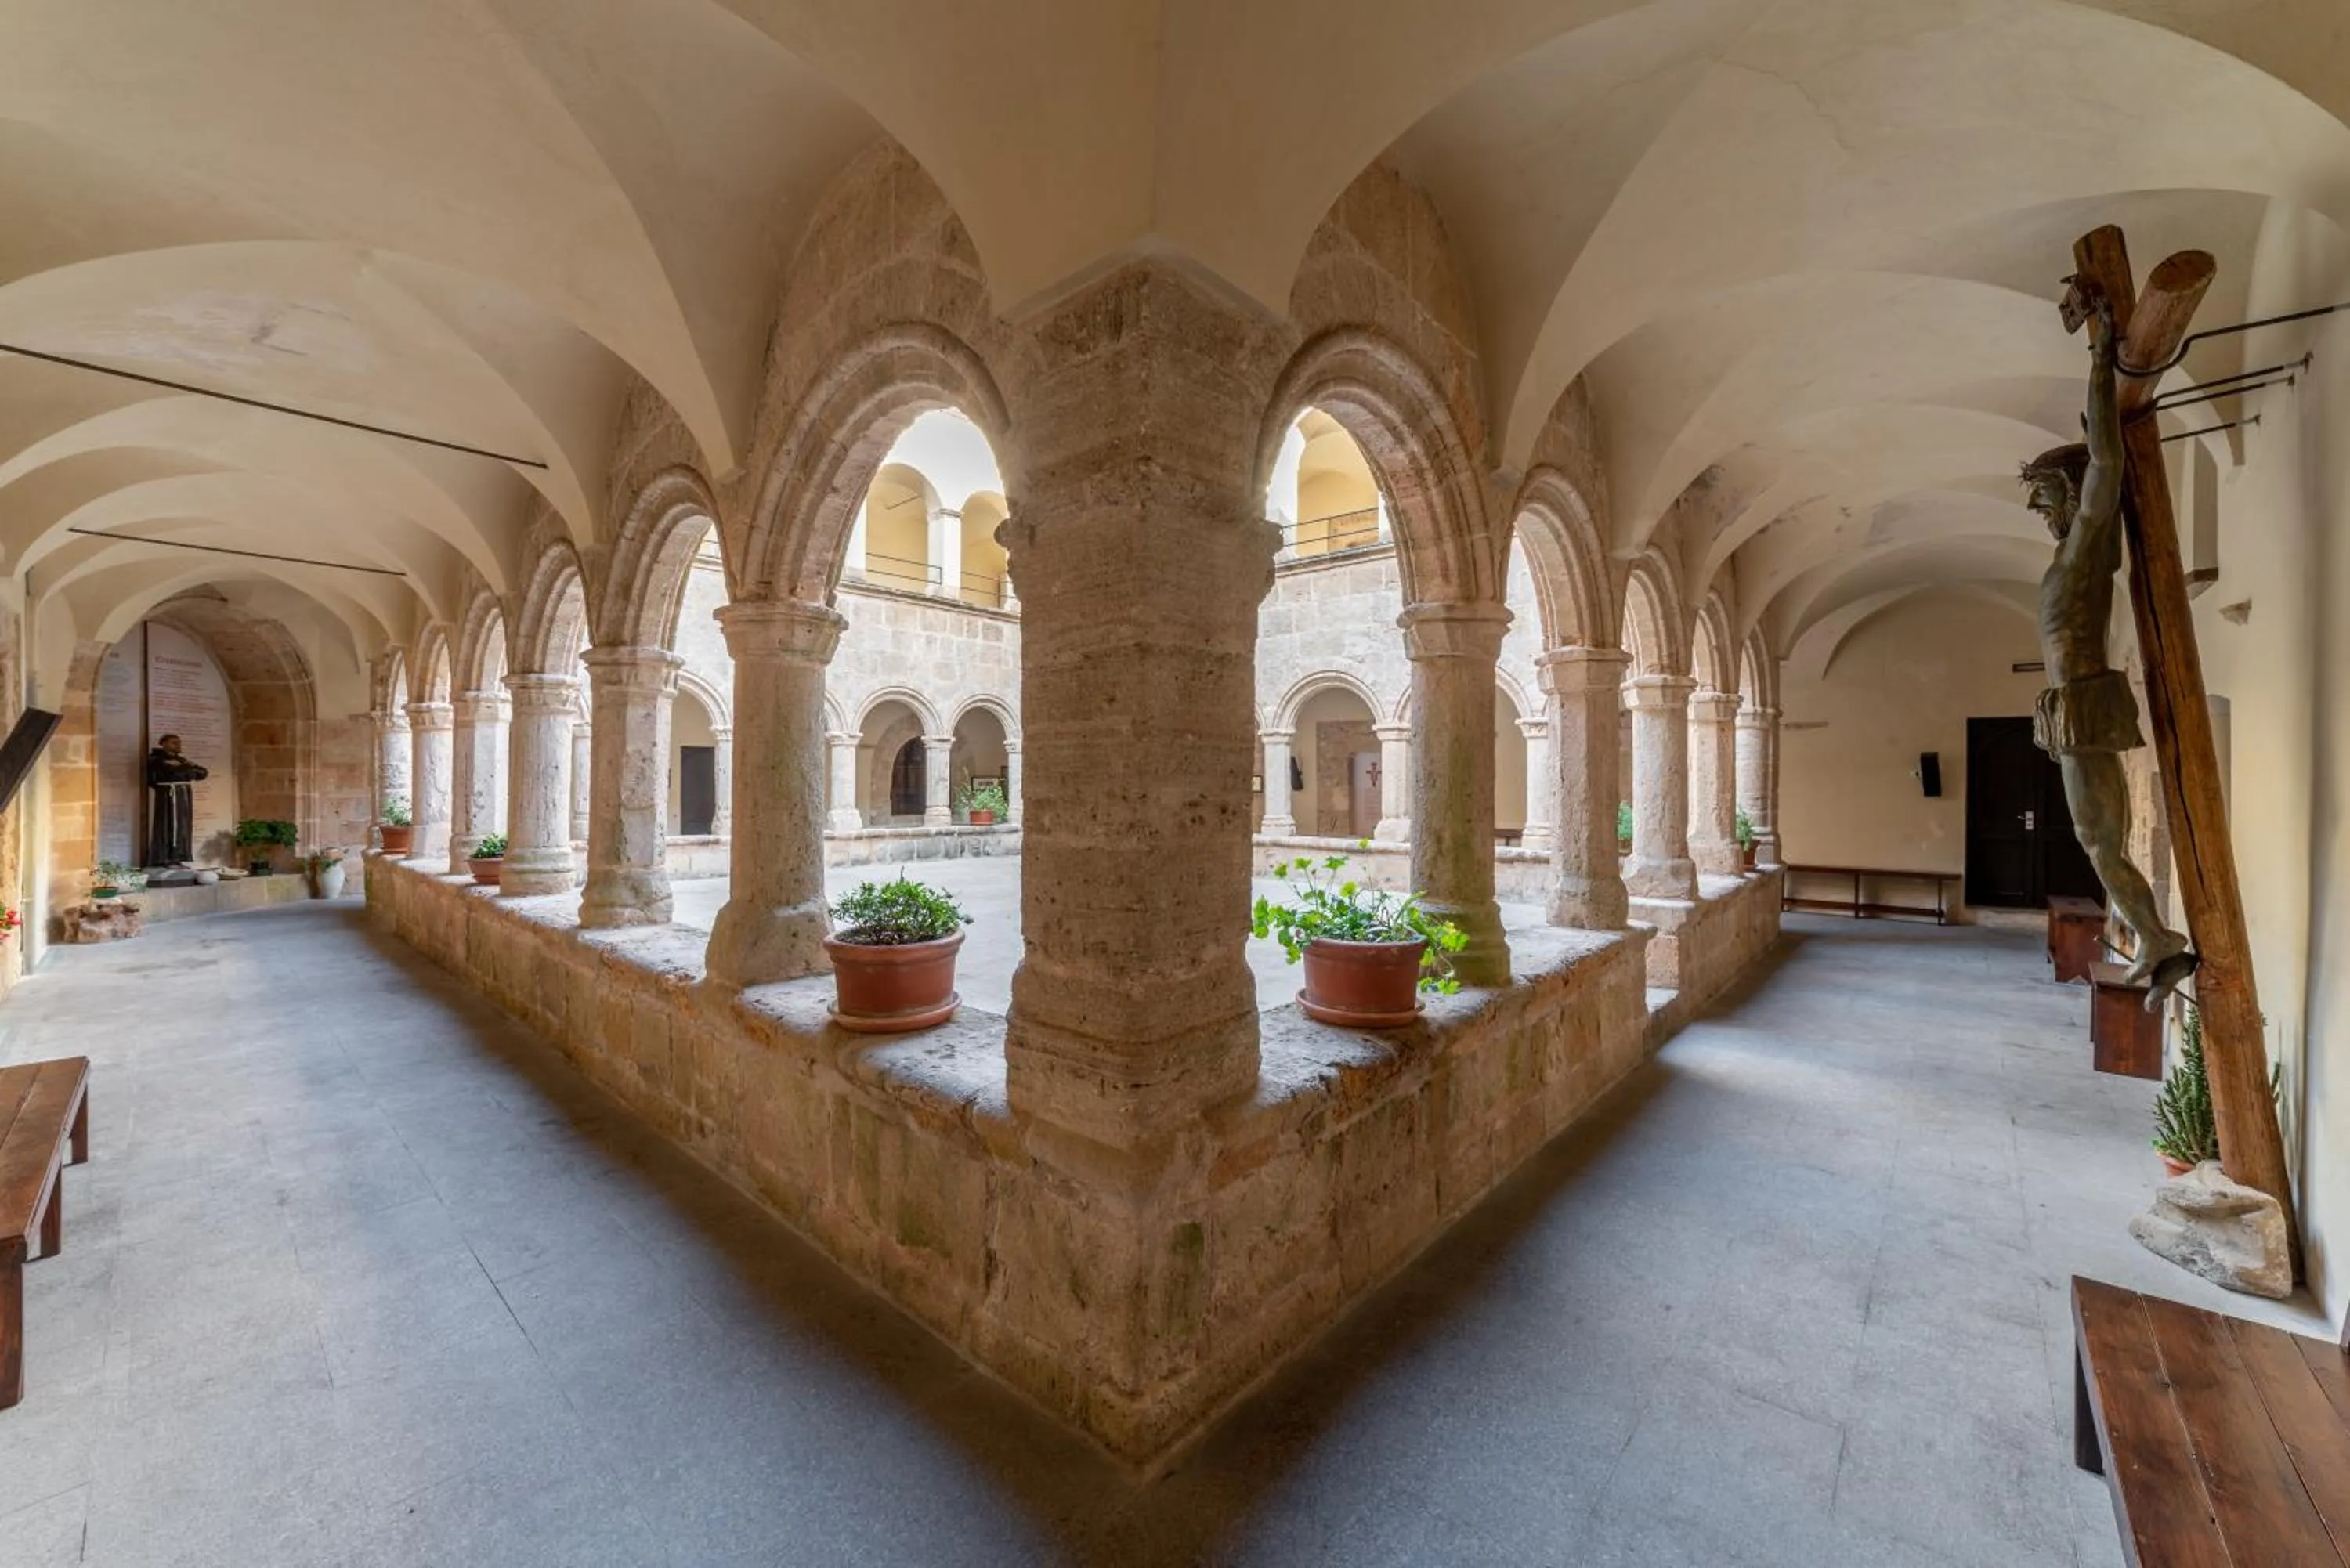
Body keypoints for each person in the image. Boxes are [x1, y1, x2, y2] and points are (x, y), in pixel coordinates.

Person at [2020, 293, 2196, 1009]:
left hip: (2086, 706)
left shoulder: (2088, 545)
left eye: (2044, 494)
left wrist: (2100, 356)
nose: (2039, 509)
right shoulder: (2066, 558)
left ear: (2071, 491)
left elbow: (2106, 459)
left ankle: (2158, 939)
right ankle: (2155, 937)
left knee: (2098, 838)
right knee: (2098, 837)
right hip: (2073, 708)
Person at [144, 732, 208, 866]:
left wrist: (184, 769)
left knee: (183, 826)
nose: (178, 745)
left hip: (183, 795)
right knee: (168, 825)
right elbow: (166, 774)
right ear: (164, 744)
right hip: (167, 795)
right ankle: (165, 858)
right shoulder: (156, 760)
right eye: (174, 743)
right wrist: (186, 770)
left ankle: (179, 857)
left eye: (179, 743)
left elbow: (202, 773)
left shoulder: (182, 760)